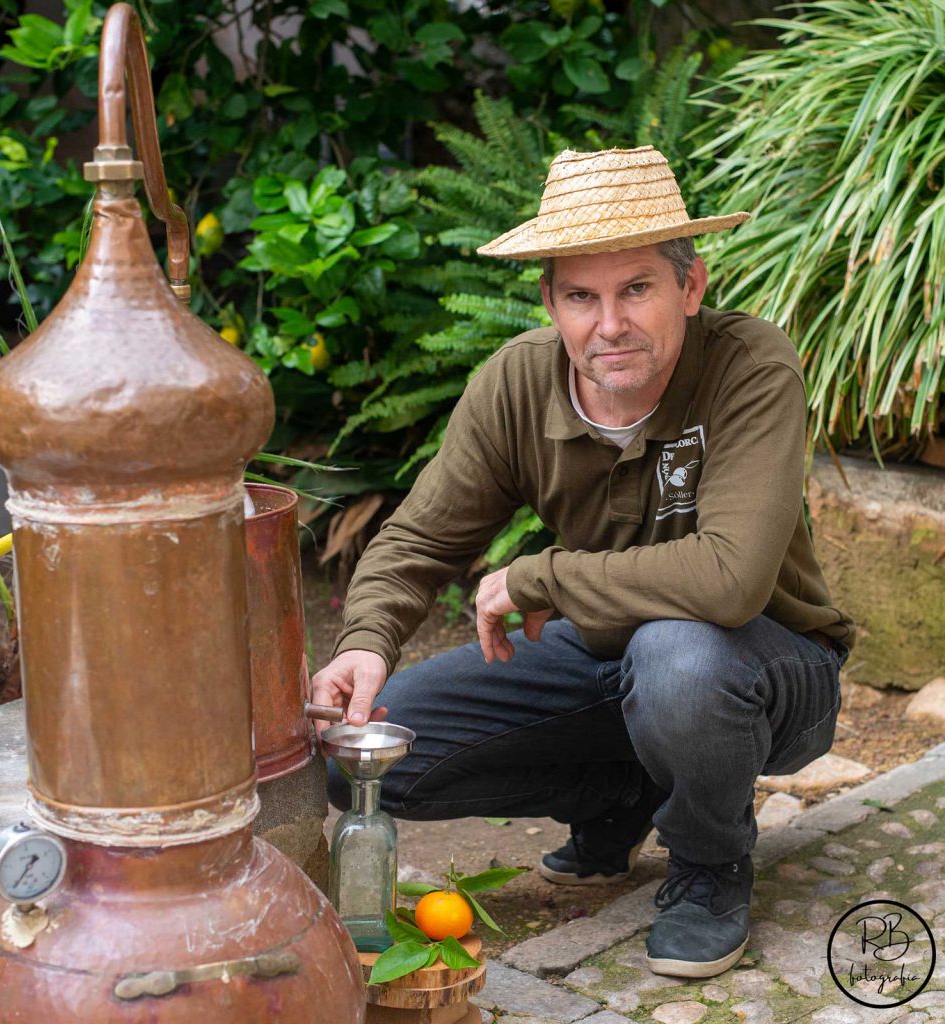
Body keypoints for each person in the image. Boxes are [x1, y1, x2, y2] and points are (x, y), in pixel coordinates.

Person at [311, 146, 854, 979]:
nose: (610, 325)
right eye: (581, 296)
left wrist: (540, 577)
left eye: (637, 288)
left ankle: (709, 865)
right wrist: (367, 642)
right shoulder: (518, 384)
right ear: (550, 302)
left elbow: (731, 579)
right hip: (603, 659)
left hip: (765, 664)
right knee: (363, 763)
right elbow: (420, 540)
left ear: (692, 287)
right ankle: (620, 795)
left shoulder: (751, 366)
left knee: (678, 657)